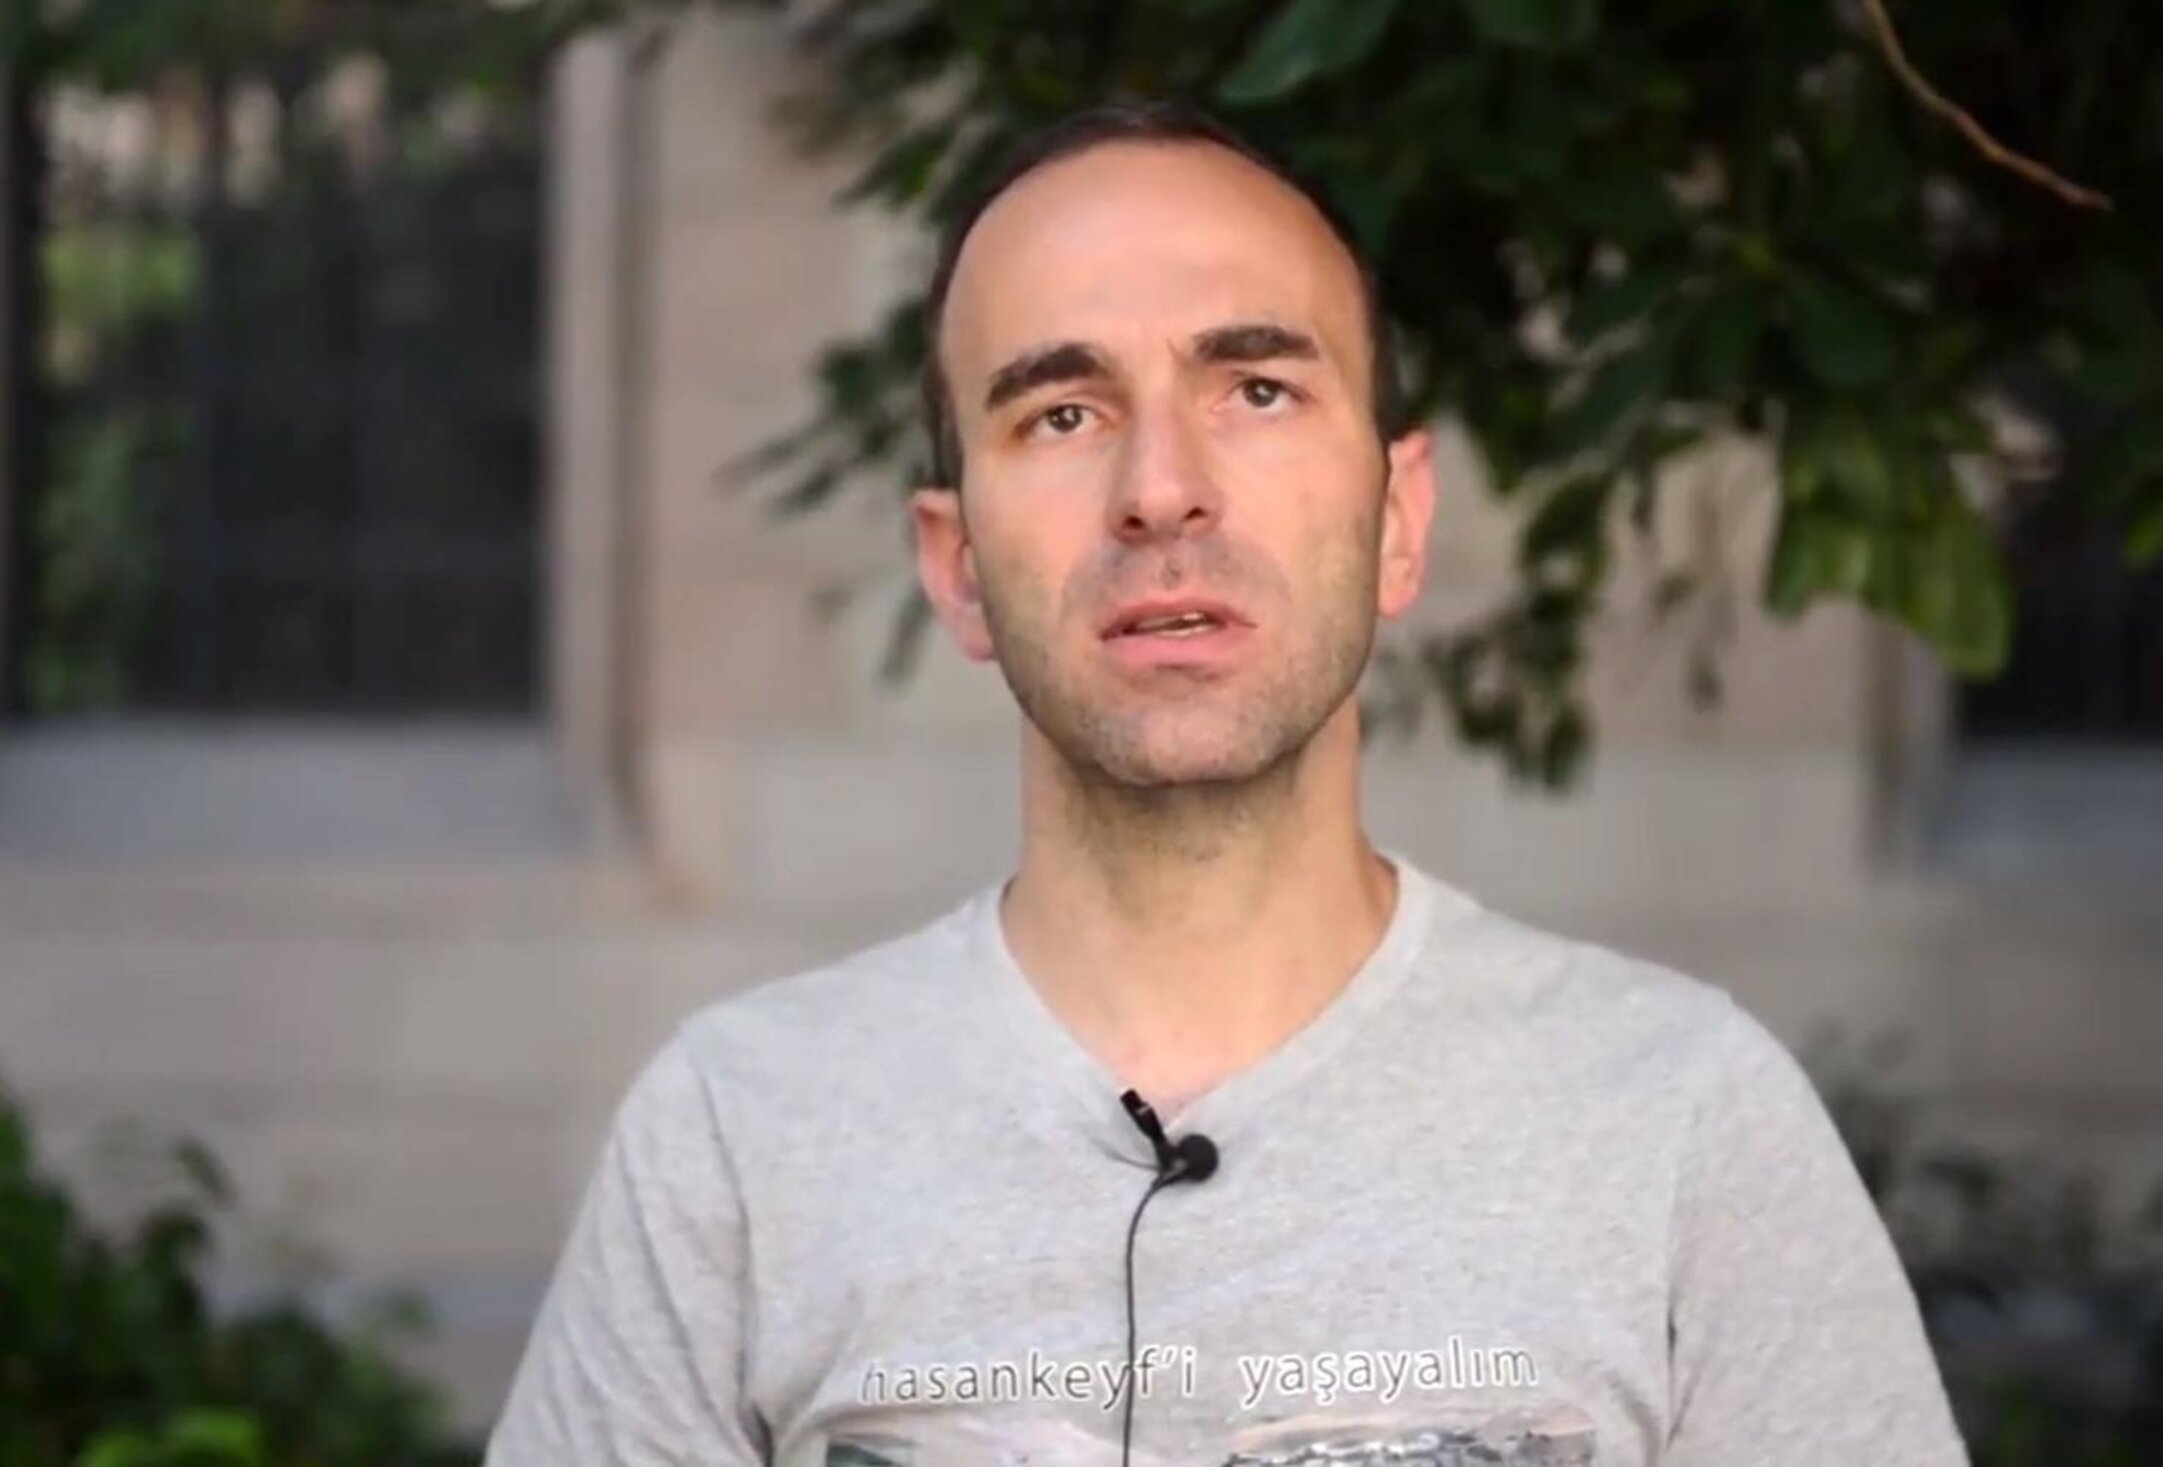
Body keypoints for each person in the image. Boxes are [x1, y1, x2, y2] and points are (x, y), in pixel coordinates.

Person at [487, 99, 1967, 1466]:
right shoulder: (738, 1138)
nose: (1160, 489)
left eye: (1257, 388)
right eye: (1061, 414)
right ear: (958, 566)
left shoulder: (1682, 1123)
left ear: (1398, 522)